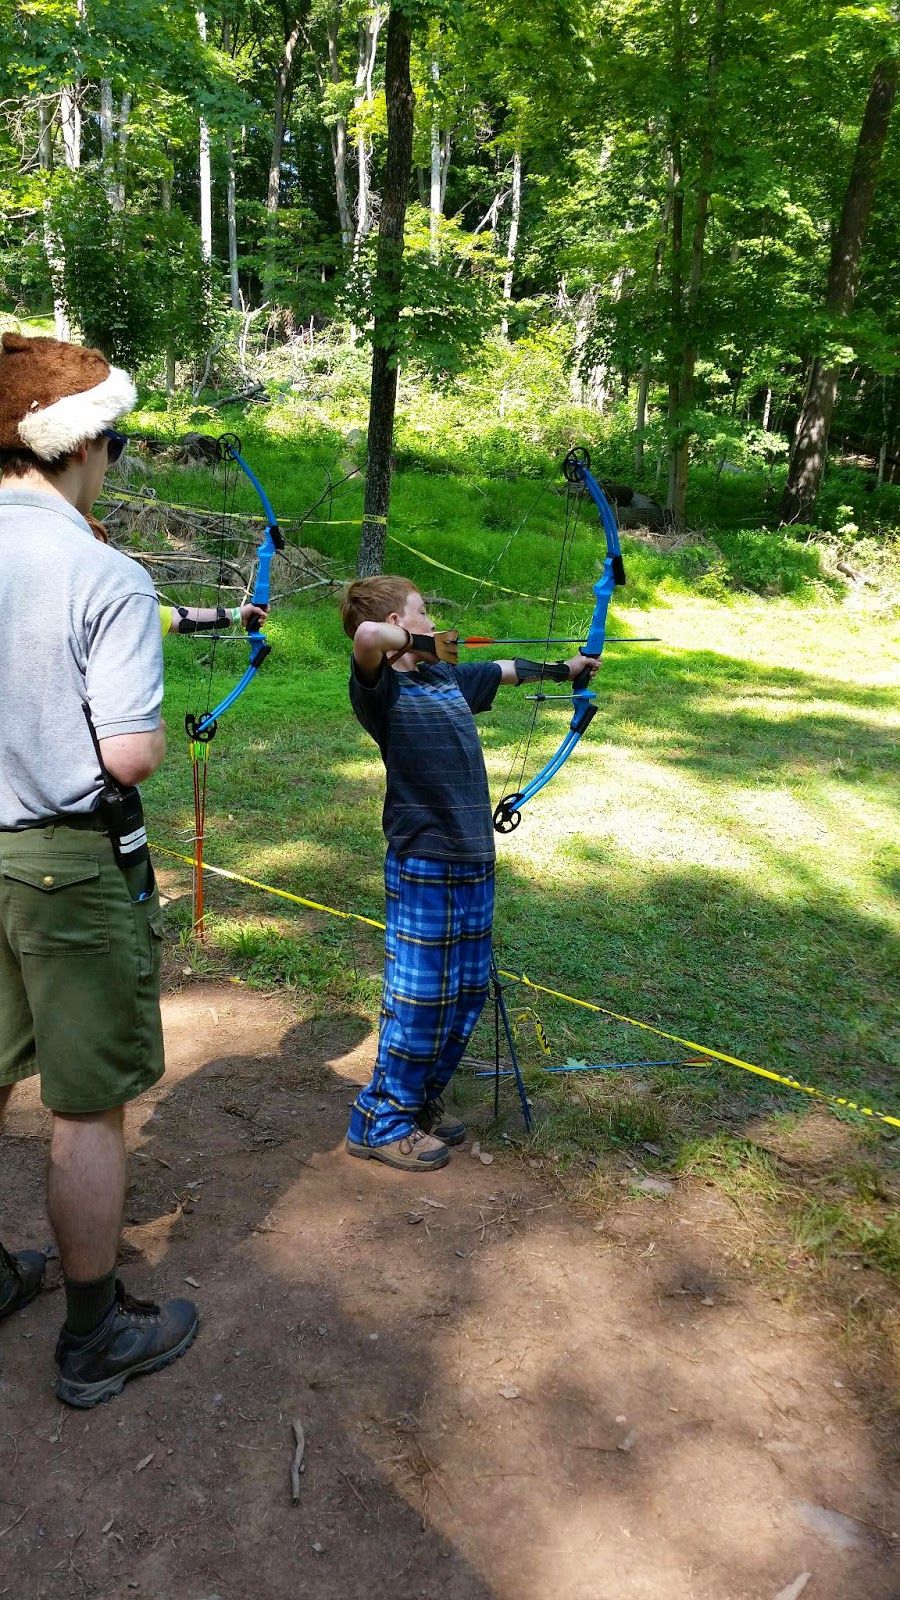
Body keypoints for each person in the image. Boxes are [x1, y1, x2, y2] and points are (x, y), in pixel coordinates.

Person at [0, 331, 198, 1407]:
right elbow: (128, 756)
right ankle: (92, 1336)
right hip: (62, 865)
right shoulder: (103, 572)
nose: (113, 460)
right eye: (113, 441)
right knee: (84, 1107)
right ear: (81, 445)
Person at [340, 576, 600, 1172]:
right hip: (424, 859)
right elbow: (367, 637)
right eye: (423, 613)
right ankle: (380, 1119)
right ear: (400, 624)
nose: (435, 622)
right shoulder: (380, 690)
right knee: (420, 997)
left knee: (466, 990)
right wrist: (418, 642)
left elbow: (507, 669)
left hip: (473, 857)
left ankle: (417, 1102)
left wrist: (569, 669)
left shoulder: (447, 679)